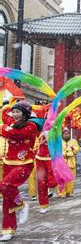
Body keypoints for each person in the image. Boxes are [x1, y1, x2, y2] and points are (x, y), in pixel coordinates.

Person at [0, 101, 38, 241]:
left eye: (18, 112)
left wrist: (5, 128)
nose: (14, 114)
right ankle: (8, 229)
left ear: (25, 114)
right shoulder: (10, 121)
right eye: (14, 112)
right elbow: (4, 113)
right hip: (8, 162)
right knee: (6, 198)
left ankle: (21, 205)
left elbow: (16, 134)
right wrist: (7, 103)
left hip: (24, 163)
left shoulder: (31, 126)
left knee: (4, 185)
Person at [34, 132, 57, 214]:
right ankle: (43, 205)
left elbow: (57, 144)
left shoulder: (56, 129)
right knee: (41, 183)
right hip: (39, 158)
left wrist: (49, 138)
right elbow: (35, 146)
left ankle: (51, 186)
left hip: (50, 158)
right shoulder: (38, 131)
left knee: (53, 182)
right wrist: (39, 143)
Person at [57, 128, 80, 198]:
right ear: (62, 134)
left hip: (71, 162)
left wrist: (71, 150)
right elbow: (57, 151)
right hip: (62, 163)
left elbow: (77, 150)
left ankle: (69, 192)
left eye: (67, 134)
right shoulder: (59, 141)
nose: (66, 135)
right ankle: (61, 192)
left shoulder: (73, 141)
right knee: (61, 178)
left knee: (70, 178)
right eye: (65, 134)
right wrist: (64, 153)